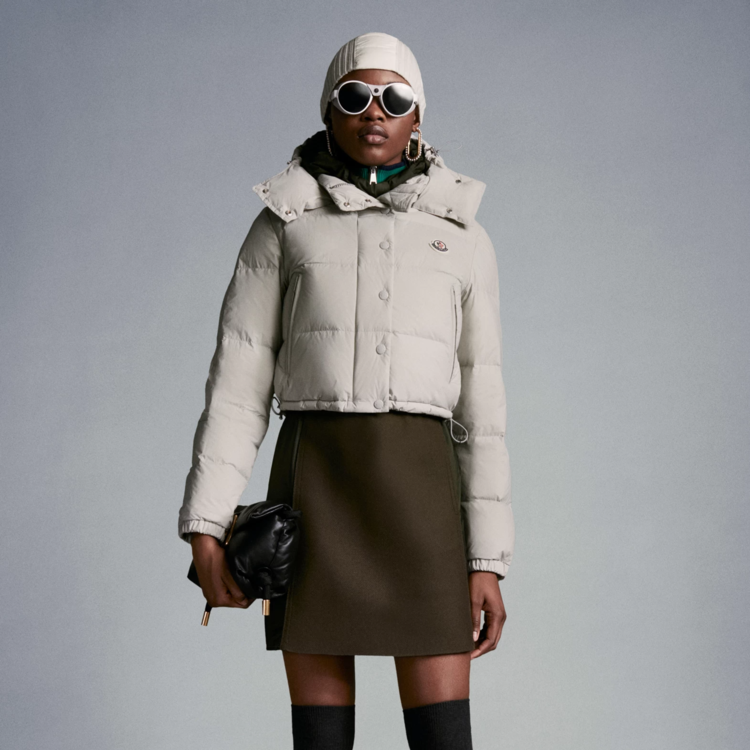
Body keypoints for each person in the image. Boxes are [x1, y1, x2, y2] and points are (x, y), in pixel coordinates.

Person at [178, 32, 515, 750]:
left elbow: (482, 409)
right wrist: (206, 526)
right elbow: (237, 385)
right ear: (329, 110)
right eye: (355, 96)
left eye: (394, 98)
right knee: (321, 744)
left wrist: (487, 560)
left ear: (418, 115)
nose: (374, 112)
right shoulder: (283, 224)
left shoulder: (463, 235)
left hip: (425, 503)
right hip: (316, 491)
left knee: (444, 741)